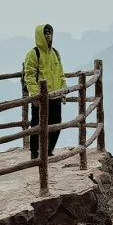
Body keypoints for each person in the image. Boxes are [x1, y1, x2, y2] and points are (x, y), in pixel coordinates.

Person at [24, 23, 66, 160]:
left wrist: (63, 90)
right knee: (37, 123)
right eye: (45, 32)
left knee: (56, 123)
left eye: (49, 32)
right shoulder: (33, 54)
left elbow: (60, 73)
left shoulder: (55, 53)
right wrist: (35, 94)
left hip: (55, 95)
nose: (48, 35)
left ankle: (48, 149)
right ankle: (34, 151)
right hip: (41, 97)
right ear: (40, 35)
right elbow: (29, 76)